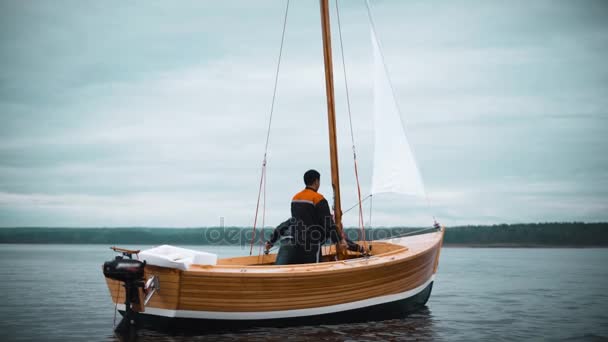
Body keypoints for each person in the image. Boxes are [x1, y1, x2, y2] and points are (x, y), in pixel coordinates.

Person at [266, 169, 367, 265]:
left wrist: (271, 241)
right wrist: (339, 240)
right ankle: (361, 249)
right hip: (312, 244)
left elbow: (288, 222)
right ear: (316, 181)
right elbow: (329, 224)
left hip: (296, 243)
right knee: (313, 267)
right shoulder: (318, 199)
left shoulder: (295, 198)